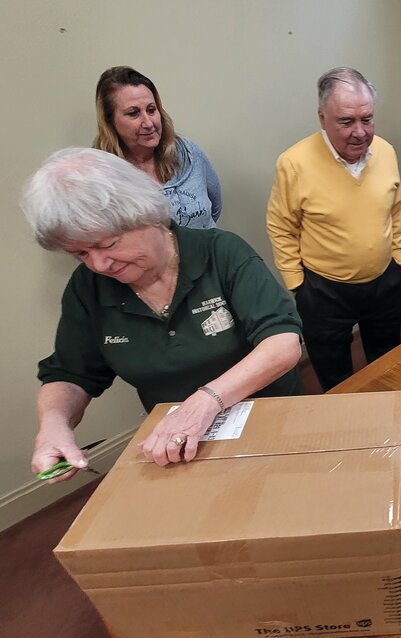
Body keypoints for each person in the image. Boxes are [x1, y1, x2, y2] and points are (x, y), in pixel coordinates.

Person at [22, 148, 302, 475]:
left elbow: (283, 342)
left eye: (108, 244)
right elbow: (70, 374)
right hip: (179, 448)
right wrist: (54, 426)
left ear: (149, 214)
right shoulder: (88, 288)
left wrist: (205, 402)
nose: (99, 264)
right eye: (80, 253)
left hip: (273, 420)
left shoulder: (220, 252)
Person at [266, 67, 401, 392]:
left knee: (388, 364)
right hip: (323, 292)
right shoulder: (293, 163)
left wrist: (397, 258)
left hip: (384, 281)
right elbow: (280, 225)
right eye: (346, 121)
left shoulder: (385, 151)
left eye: (367, 119)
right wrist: (297, 285)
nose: (360, 132)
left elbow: (395, 209)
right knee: (334, 375)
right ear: (322, 117)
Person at [94, 66, 222, 228]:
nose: (148, 123)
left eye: (151, 110)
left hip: (206, 252)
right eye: (133, 113)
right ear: (110, 122)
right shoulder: (100, 178)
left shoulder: (188, 154)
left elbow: (214, 207)